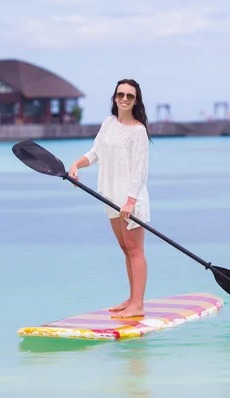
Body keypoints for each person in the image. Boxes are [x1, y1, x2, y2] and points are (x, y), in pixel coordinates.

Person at [68, 79, 152, 318]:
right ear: (115, 98)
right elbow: (95, 153)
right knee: (125, 248)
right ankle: (131, 298)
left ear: (136, 101)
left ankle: (138, 304)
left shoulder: (138, 131)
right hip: (110, 197)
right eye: (120, 95)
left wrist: (130, 201)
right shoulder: (108, 123)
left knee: (135, 249)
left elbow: (140, 170)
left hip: (130, 200)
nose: (124, 99)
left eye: (130, 96)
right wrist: (76, 165)